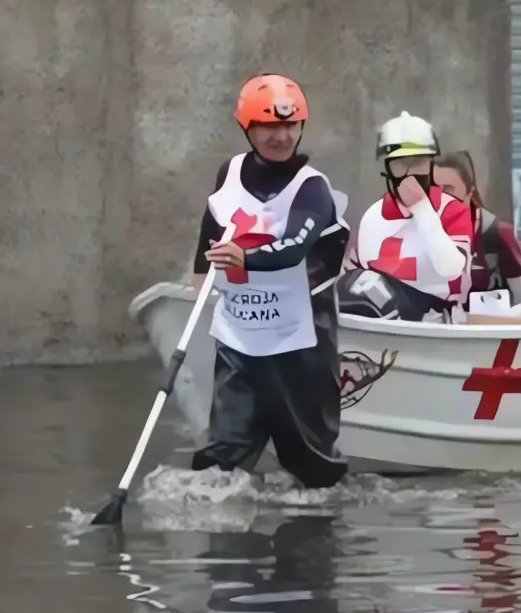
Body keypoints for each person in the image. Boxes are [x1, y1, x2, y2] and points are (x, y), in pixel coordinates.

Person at [191, 73, 349, 489]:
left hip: (301, 342)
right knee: (221, 460)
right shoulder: (231, 172)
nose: (281, 136)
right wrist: (199, 275)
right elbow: (213, 219)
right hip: (241, 337)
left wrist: (246, 257)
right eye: (269, 126)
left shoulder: (313, 188)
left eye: (289, 125)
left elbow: (295, 248)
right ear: (248, 128)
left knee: (312, 469)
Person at [338, 112, 474, 322]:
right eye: (401, 164)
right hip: (382, 327)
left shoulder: (452, 210)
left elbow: (452, 269)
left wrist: (422, 208)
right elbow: (356, 277)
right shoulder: (373, 216)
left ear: (430, 165)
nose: (410, 173)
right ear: (388, 168)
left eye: (418, 162)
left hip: (439, 325)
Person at [433, 149, 521, 312]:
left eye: (448, 189)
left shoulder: (497, 234)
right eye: (432, 189)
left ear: (469, 192)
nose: (440, 197)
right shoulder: (416, 234)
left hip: (487, 332)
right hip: (435, 332)